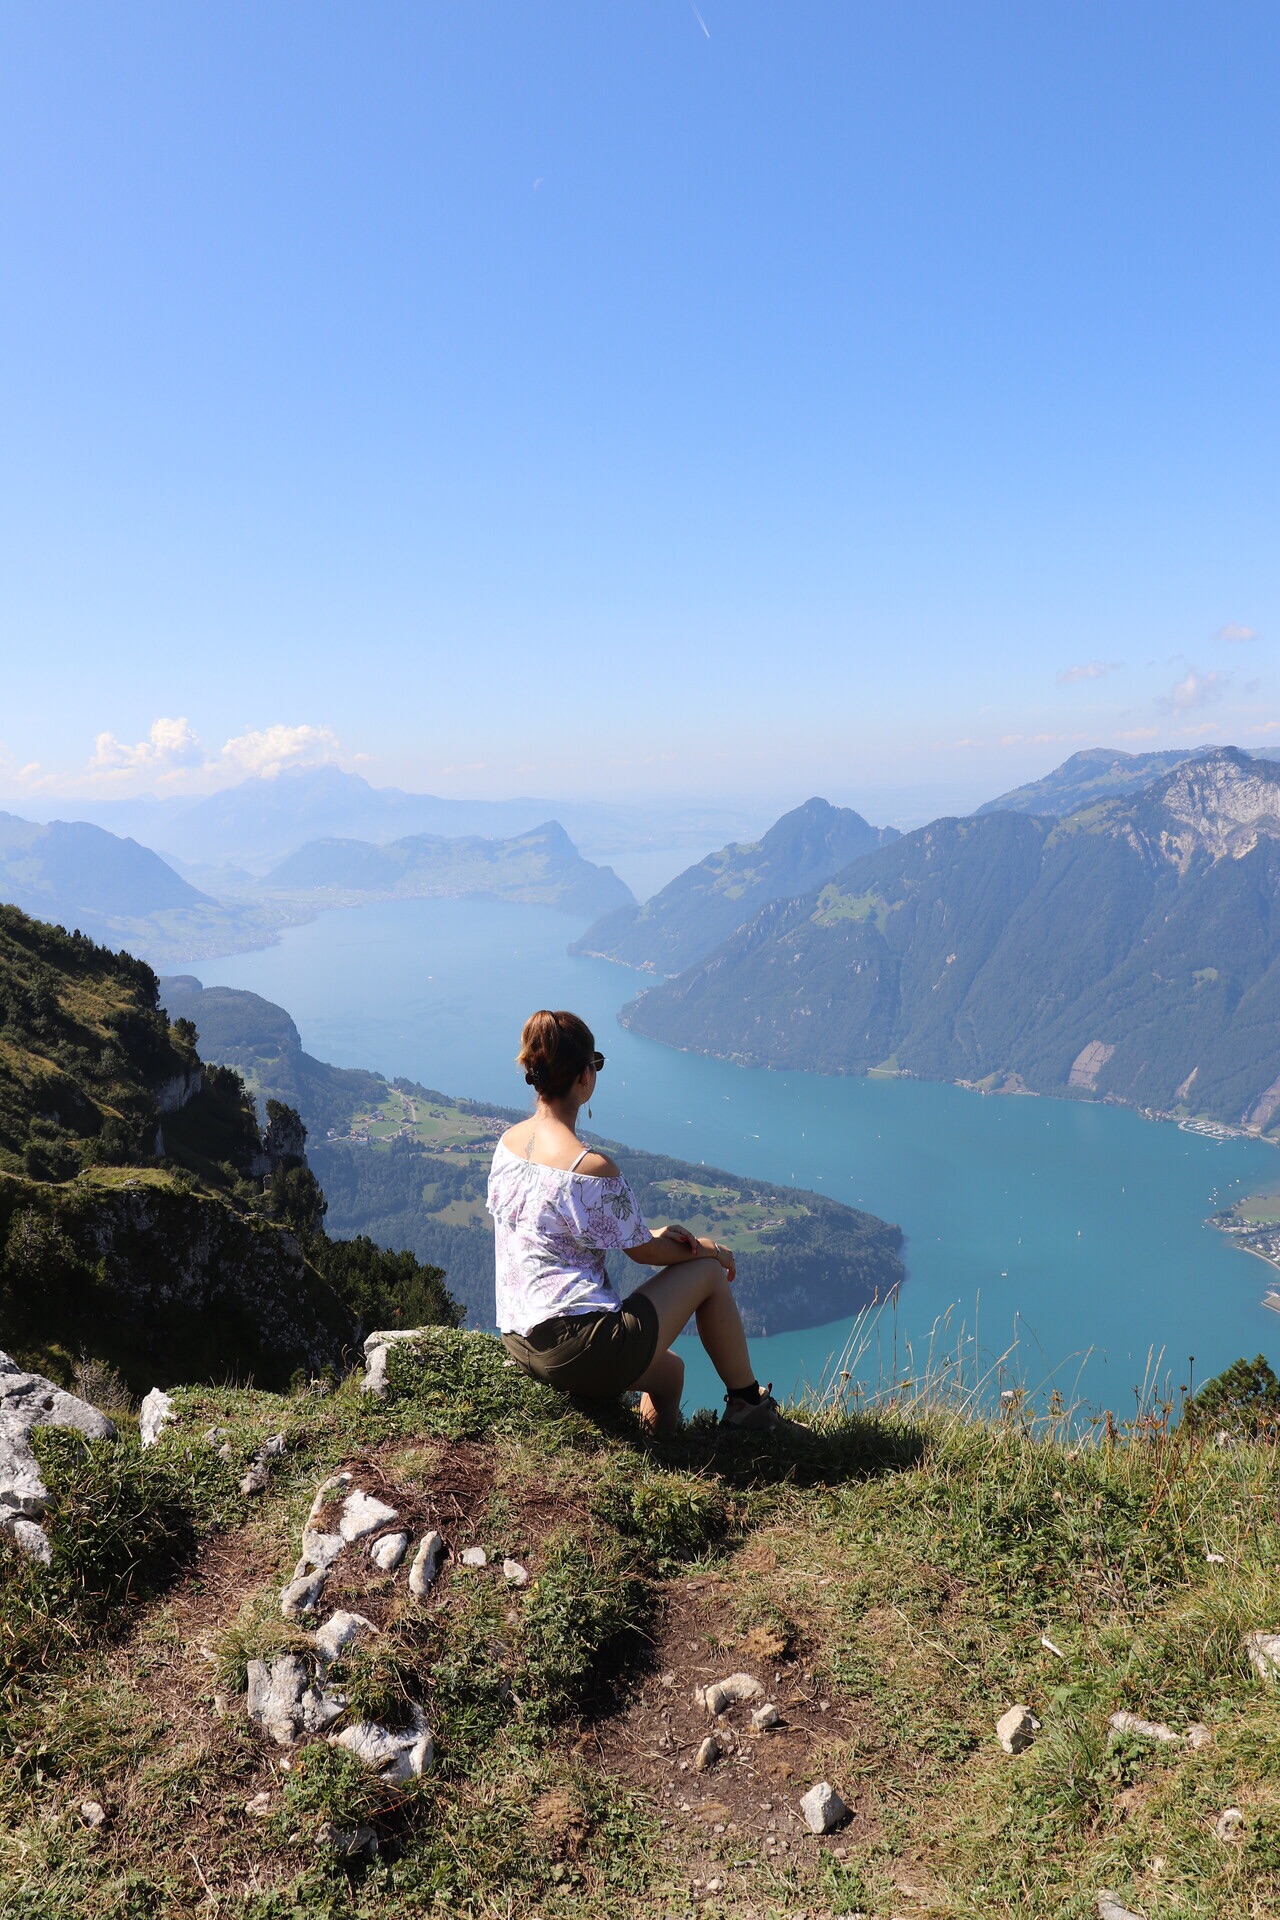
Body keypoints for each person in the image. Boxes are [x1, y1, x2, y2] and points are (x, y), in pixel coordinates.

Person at [486, 1007, 800, 1435]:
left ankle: (664, 1451)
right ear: (584, 1076)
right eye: (595, 1064)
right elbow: (644, 1254)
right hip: (580, 1344)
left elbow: (556, 1231)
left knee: (669, 1373)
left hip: (522, 1338)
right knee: (708, 1272)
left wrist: (649, 1234)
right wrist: (710, 1247)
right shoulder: (589, 1166)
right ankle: (749, 1406)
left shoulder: (507, 1145)